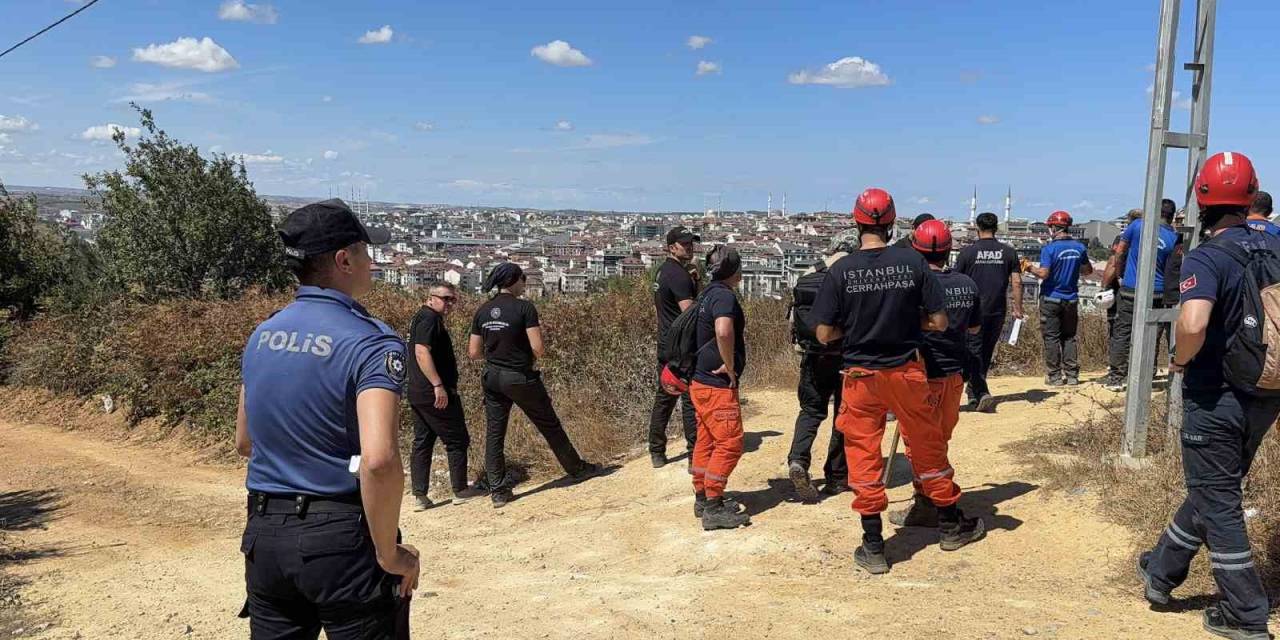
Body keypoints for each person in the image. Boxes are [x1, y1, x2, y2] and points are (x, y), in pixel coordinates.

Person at [236, 198, 419, 639]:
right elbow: (379, 460)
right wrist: (389, 553)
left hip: (265, 537)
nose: (370, 262)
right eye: (365, 252)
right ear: (343, 261)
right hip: (341, 542)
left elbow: (245, 441)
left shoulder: (263, 334)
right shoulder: (371, 342)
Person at [1138, 151, 1280, 640]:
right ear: (1251, 195)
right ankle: (1161, 570)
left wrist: (1179, 360)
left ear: (1201, 199)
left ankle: (1245, 613)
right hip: (1266, 390)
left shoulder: (1207, 255)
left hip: (1216, 395)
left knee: (1219, 501)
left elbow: (1194, 322)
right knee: (1213, 486)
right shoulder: (1275, 245)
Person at [812, 188, 984, 575]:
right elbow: (939, 322)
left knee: (863, 453)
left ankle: (873, 544)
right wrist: (906, 323)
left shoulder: (841, 270)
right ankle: (949, 525)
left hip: (860, 375)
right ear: (891, 224)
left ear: (857, 222)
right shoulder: (912, 263)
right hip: (907, 371)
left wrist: (856, 329)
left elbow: (823, 333)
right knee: (927, 447)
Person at [468, 263, 600, 508]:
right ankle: (577, 469)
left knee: (495, 433)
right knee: (549, 425)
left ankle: (498, 490)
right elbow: (538, 348)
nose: (525, 283)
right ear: (514, 280)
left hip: (492, 377)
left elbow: (474, 352)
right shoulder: (524, 308)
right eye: (523, 279)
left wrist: (496, 356)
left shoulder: (483, 310)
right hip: (519, 376)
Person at [891, 219, 983, 527]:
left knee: (918, 444)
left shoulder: (913, 285)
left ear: (916, 250)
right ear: (949, 250)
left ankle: (929, 502)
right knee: (939, 440)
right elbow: (975, 328)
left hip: (921, 376)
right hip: (954, 375)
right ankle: (932, 498)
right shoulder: (967, 284)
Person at [785, 234, 852, 502]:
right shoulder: (854, 274)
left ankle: (798, 460)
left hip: (814, 354)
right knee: (843, 415)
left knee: (811, 410)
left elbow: (794, 320)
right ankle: (836, 477)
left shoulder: (808, 274)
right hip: (846, 356)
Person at [690, 245, 752, 530]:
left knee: (706, 440)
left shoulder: (706, 294)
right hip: (717, 384)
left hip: (700, 381)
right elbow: (724, 331)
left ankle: (702, 496)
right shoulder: (724, 297)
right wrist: (730, 365)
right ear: (733, 270)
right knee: (729, 442)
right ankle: (713, 506)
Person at [406, 281, 480, 510]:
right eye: (445, 298)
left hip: (418, 391)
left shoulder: (422, 317)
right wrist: (438, 385)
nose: (450, 303)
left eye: (452, 299)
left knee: (423, 441)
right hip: (433, 392)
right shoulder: (429, 319)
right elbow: (421, 351)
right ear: (431, 298)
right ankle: (460, 490)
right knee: (457, 439)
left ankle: (420, 495)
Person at [1101, 200, 1182, 391]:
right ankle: (1146, 375)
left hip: (1131, 288)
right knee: (1151, 335)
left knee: (1122, 333)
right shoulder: (1173, 238)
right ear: (1171, 217)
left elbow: (1120, 252)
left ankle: (1117, 377)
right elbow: (1173, 268)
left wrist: (1120, 274)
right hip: (1157, 293)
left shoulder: (1137, 225)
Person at [953, 211, 1024, 412]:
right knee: (985, 351)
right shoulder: (1008, 252)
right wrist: (1017, 308)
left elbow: (955, 280)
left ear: (977, 228)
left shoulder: (968, 252)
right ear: (996, 228)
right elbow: (1017, 282)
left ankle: (976, 392)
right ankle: (978, 391)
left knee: (974, 350)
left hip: (971, 311)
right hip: (997, 309)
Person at [648, 226, 700, 468]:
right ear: (672, 247)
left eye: (691, 243)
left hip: (666, 342)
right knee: (690, 399)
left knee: (665, 396)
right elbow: (690, 313)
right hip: (682, 346)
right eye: (684, 244)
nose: (689, 247)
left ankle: (656, 451)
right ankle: (694, 456)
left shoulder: (662, 272)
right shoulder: (679, 276)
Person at [1027, 211, 1093, 386]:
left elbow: (1043, 273)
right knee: (1069, 337)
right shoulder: (1079, 248)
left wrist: (1028, 267)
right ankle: (1072, 376)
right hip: (1071, 298)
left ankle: (1055, 376)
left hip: (1051, 298)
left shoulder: (1049, 249)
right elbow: (1087, 271)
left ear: (1054, 228)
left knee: (1051, 338)